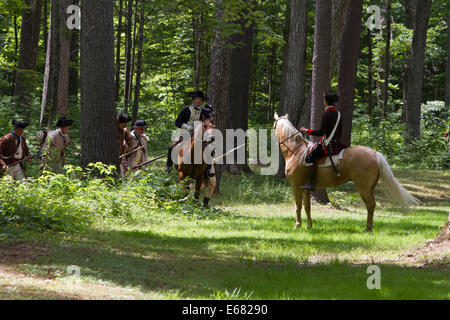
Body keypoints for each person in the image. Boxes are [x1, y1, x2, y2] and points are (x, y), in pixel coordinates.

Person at [299, 92, 346, 191]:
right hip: (338, 144)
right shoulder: (339, 114)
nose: (323, 102)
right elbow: (339, 132)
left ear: (326, 102)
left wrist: (307, 130)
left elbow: (321, 132)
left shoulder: (327, 114)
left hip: (328, 145)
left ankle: (311, 184)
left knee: (309, 158)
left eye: (324, 100)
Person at [165, 90, 214, 174]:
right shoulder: (186, 110)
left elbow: (209, 121)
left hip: (199, 134)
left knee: (209, 148)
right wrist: (187, 127)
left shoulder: (204, 111)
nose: (198, 101)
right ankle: (169, 166)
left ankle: (208, 170)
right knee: (172, 146)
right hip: (185, 132)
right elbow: (177, 122)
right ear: (193, 100)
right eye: (196, 99)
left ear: (202, 101)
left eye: (200, 99)